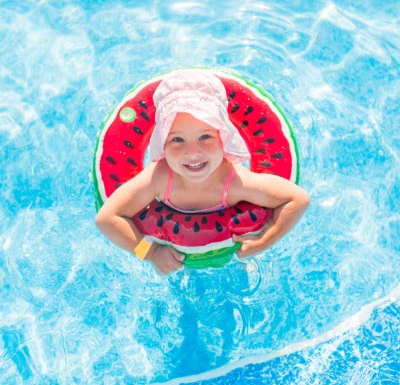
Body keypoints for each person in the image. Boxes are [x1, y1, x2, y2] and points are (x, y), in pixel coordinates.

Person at [95, 70, 310, 275]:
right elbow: (107, 218)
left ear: (223, 138)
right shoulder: (160, 176)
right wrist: (149, 252)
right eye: (177, 139)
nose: (193, 152)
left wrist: (265, 240)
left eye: (205, 137)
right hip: (171, 257)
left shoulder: (235, 182)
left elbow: (297, 199)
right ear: (162, 144)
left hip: (229, 255)